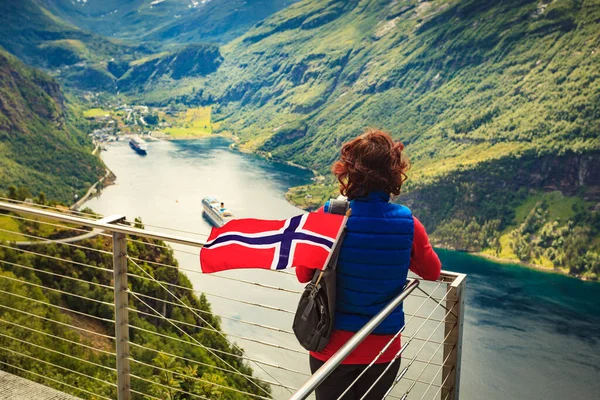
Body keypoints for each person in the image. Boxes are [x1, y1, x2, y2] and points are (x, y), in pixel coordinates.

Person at [296, 129, 441, 400]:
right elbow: (432, 271)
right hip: (382, 349)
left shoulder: (327, 215)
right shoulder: (408, 223)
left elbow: (303, 274)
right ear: (393, 173)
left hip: (330, 346)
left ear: (349, 171)